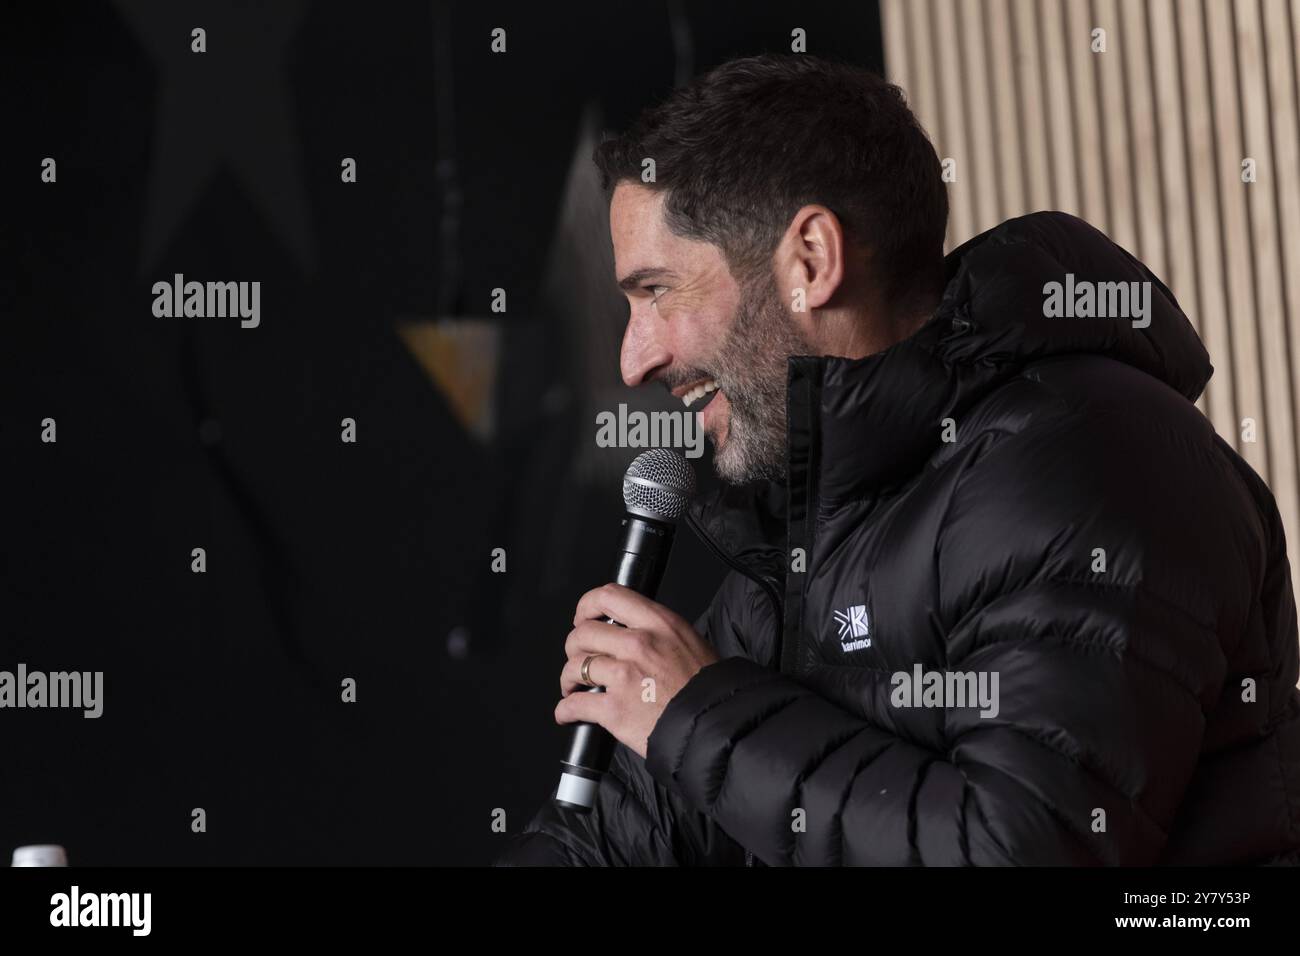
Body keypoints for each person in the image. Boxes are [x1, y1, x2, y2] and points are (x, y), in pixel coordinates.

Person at [495, 54, 1300, 866]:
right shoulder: (818, 523)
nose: (634, 360)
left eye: (656, 292)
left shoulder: (1084, 463)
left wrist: (696, 715)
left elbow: (1021, 850)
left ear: (810, 260)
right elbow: (622, 838)